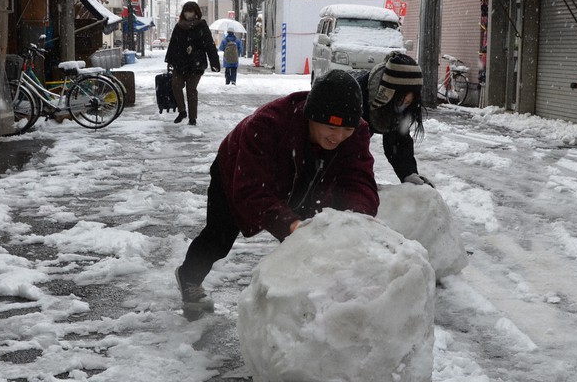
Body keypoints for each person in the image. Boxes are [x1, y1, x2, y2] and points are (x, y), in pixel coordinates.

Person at [175, 69, 380, 312]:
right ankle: (189, 277)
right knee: (219, 238)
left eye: (347, 130)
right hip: (237, 170)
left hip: (305, 175)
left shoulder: (355, 132)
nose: (339, 137)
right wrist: (291, 225)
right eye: (331, 128)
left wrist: (355, 218)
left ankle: (310, 303)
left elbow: (358, 179)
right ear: (311, 115)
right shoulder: (269, 124)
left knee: (316, 240)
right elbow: (251, 191)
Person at [355, 52, 433, 186]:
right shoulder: (358, 99)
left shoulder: (397, 104)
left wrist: (409, 174)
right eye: (403, 96)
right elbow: (351, 150)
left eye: (412, 97)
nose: (408, 100)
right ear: (388, 92)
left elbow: (398, 143)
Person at [164, 2, 221, 126]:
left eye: (190, 11)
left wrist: (214, 62)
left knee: (191, 89)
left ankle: (192, 118)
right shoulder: (179, 26)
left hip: (196, 63)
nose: (188, 14)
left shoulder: (202, 26)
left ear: (196, 13)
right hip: (180, 63)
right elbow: (173, 45)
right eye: (186, 11)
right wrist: (170, 61)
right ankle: (182, 111)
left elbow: (209, 45)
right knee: (176, 85)